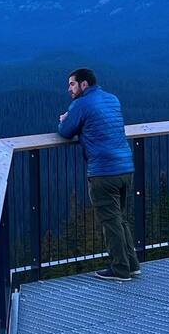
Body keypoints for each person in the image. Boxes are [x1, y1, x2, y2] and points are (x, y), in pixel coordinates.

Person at [57, 68, 140, 282]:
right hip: (125, 167)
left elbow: (65, 131)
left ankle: (120, 269)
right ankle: (131, 265)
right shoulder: (112, 99)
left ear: (84, 84)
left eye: (72, 84)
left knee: (110, 221)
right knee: (120, 219)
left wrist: (64, 118)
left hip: (103, 171)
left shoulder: (81, 104)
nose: (69, 89)